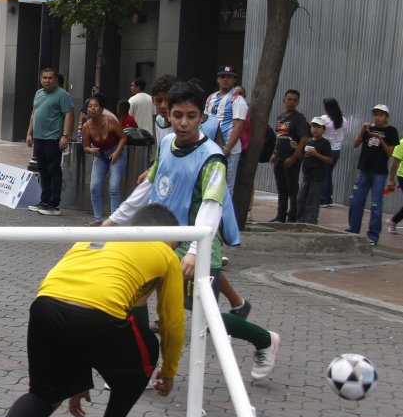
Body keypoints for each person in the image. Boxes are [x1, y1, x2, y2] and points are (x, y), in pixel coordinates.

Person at [0, 204, 184, 417]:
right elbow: (171, 321)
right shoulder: (165, 253)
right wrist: (168, 372)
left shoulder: (97, 236)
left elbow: (88, 298)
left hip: (46, 307)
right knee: (147, 348)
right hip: (96, 316)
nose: (174, 250)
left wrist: (77, 379)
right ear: (166, 234)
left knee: (45, 394)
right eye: (175, 244)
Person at [107, 81, 279, 381]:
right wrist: (116, 220)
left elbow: (212, 205)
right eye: (177, 115)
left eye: (191, 115)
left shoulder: (212, 157)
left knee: (202, 318)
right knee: (135, 295)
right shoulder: (165, 144)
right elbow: (151, 184)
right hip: (163, 239)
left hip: (198, 243)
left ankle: (264, 339)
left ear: (202, 117)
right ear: (168, 115)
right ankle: (141, 367)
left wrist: (196, 249)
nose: (183, 122)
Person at [345, 104, 399, 246]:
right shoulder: (368, 129)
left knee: (376, 204)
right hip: (364, 170)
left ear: (386, 116)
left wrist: (380, 139)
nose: (378, 117)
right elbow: (355, 144)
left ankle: (373, 235)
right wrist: (363, 131)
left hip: (379, 172)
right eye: (376, 114)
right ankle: (353, 230)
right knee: (356, 201)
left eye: (381, 115)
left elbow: (390, 153)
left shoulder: (391, 131)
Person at [26, 69, 74, 216]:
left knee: (54, 170)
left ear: (56, 80)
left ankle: (54, 205)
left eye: (50, 78)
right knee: (43, 170)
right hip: (39, 138)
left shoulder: (63, 95)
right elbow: (34, 113)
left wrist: (66, 136)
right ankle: (44, 201)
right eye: (45, 78)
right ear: (41, 80)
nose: (47, 80)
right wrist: (29, 133)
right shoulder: (38, 93)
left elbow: (69, 115)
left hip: (53, 139)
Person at [81, 94, 127, 225]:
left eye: (96, 106)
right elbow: (85, 147)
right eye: (90, 106)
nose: (93, 109)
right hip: (100, 155)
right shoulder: (86, 126)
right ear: (87, 110)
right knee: (94, 187)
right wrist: (91, 150)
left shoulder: (110, 121)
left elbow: (123, 138)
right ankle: (97, 220)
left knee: (113, 187)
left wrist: (117, 153)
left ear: (101, 109)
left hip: (116, 153)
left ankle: (114, 221)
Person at [203, 65, 247, 194]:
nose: (225, 79)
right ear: (218, 79)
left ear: (235, 80)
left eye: (229, 77)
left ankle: (225, 214)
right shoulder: (211, 98)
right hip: (211, 147)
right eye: (222, 76)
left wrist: (228, 147)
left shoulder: (237, 99)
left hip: (229, 150)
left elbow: (239, 125)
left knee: (226, 187)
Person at [270, 89, 309, 222]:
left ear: (297, 102)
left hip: (291, 157)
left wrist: (294, 157)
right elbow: (279, 136)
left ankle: (292, 216)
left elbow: (304, 138)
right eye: (289, 99)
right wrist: (274, 153)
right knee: (281, 187)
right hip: (279, 157)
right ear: (284, 100)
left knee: (292, 188)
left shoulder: (299, 118)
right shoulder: (280, 117)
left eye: (294, 100)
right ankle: (280, 215)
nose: (291, 102)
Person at [296, 117, 334, 224]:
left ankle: (311, 221)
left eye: (318, 127)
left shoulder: (325, 143)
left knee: (313, 200)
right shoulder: (308, 141)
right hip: (306, 175)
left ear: (323, 129)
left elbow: (329, 159)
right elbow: (302, 157)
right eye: (313, 126)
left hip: (317, 177)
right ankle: (300, 219)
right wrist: (296, 148)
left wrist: (316, 154)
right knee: (301, 198)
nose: (315, 129)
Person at [319, 98, 345, 206]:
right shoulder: (343, 120)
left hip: (325, 150)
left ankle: (323, 199)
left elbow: (318, 131)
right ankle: (328, 198)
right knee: (328, 174)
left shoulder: (324, 119)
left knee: (324, 174)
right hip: (336, 150)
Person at [149, 74, 178, 144]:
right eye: (159, 100)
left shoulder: (186, 125)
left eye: (169, 100)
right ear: (153, 100)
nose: (163, 106)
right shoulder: (158, 120)